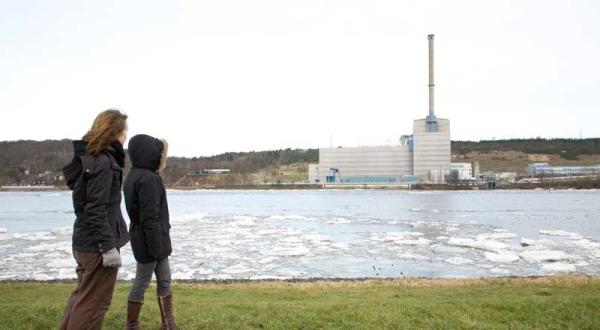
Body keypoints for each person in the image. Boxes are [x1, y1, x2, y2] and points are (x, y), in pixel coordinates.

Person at [60, 109, 130, 330]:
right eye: (125, 130)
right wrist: (108, 248)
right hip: (96, 247)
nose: (126, 135)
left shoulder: (91, 159)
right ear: (115, 132)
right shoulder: (103, 163)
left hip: (84, 243)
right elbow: (96, 210)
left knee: (82, 298)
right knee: (93, 304)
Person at [123, 134, 177, 330]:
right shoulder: (148, 179)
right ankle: (132, 325)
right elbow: (149, 216)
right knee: (142, 282)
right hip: (151, 241)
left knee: (164, 280)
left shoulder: (134, 176)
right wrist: (155, 246)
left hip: (151, 239)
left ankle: (168, 324)